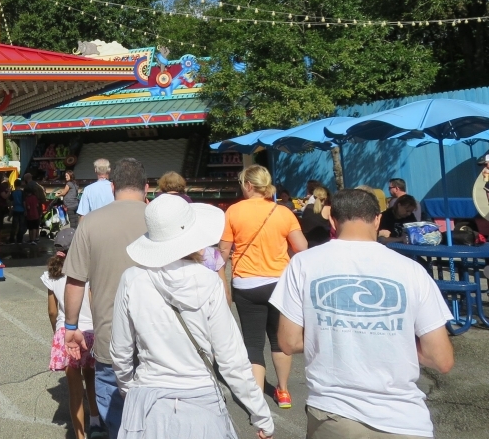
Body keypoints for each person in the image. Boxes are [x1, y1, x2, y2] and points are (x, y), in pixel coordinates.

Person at [271, 189, 454, 439]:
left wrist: (333, 332)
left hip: (334, 415)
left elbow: (288, 342)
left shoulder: (303, 264)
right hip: (405, 420)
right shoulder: (413, 271)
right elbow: (441, 359)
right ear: (377, 219)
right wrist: (392, 339)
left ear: (332, 220)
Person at [112, 194, 274, 439]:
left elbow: (120, 350)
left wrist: (128, 389)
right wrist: (260, 415)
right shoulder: (208, 281)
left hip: (148, 403)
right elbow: (231, 358)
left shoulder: (132, 279)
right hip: (201, 401)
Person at [63, 157, 149, 439]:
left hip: (110, 338)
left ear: (113, 187)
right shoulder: (158, 219)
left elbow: (75, 281)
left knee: (117, 419)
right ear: (146, 187)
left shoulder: (91, 223)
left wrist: (71, 326)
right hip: (159, 338)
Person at [218, 165, 308, 410]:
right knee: (280, 341)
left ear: (248, 185)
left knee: (253, 343)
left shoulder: (233, 211)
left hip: (246, 284)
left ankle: (257, 401)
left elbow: (223, 251)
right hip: (279, 284)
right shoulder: (283, 212)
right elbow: (302, 248)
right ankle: (283, 390)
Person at [42, 228, 102, 439]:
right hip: (90, 330)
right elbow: (95, 304)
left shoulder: (52, 275)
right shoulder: (90, 271)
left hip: (66, 332)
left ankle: (79, 435)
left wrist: (57, 332)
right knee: (92, 379)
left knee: (75, 391)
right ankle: (96, 421)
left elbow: (52, 311)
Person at [10, 179, 26, 245]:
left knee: (14, 226)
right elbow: (24, 202)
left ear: (14, 185)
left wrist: (10, 211)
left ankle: (12, 240)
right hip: (21, 210)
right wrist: (25, 210)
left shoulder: (13, 192)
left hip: (15, 210)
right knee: (21, 226)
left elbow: (11, 202)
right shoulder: (22, 192)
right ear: (20, 184)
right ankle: (19, 240)